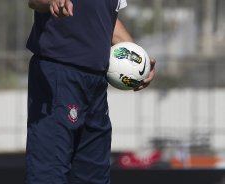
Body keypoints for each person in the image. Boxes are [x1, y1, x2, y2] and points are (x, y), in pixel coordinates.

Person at [25, 0, 156, 183]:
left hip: (96, 83)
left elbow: (107, 22)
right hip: (60, 73)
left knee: (94, 176)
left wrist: (137, 60)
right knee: (49, 174)